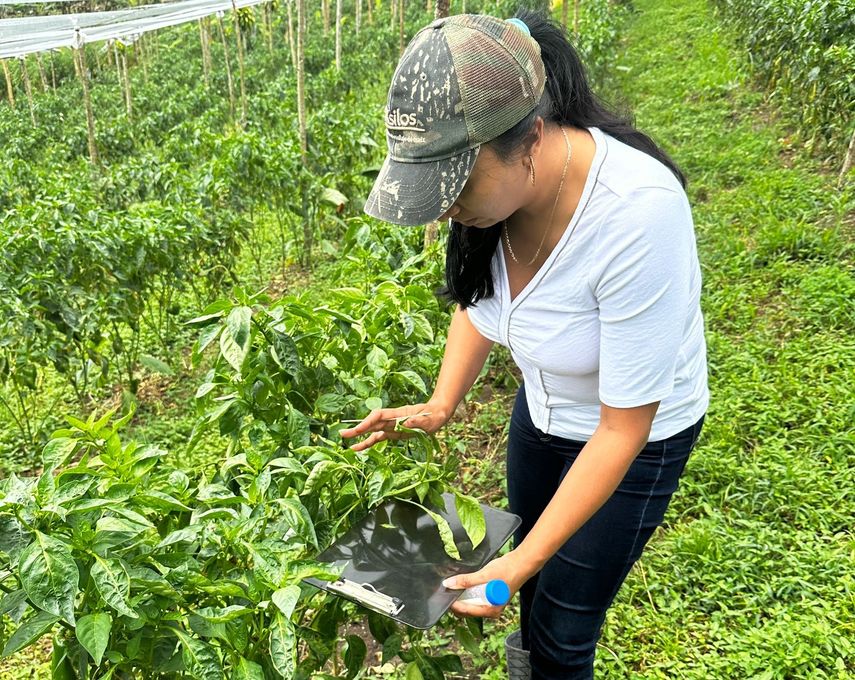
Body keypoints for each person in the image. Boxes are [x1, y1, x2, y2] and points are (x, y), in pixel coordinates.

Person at [339, 9, 708, 680]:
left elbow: (623, 426)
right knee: (530, 579)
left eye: (456, 188)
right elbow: (479, 303)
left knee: (564, 620)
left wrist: (517, 566)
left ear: (530, 138)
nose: (447, 208)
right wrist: (440, 403)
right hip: (542, 415)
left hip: (633, 439)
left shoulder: (636, 214)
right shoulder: (494, 205)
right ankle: (527, 661)